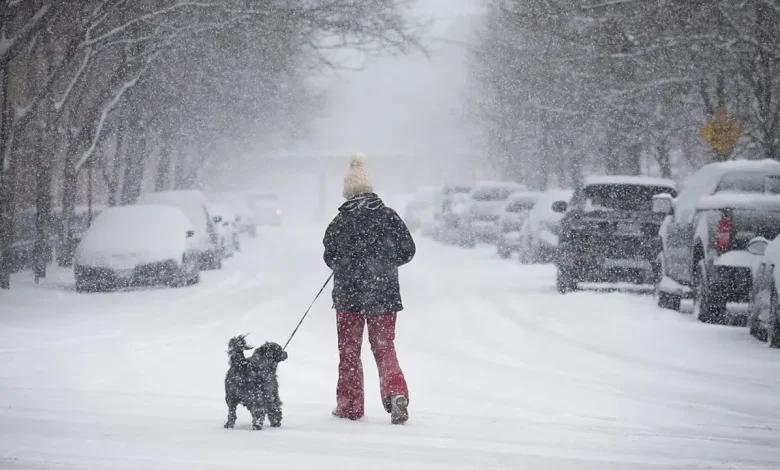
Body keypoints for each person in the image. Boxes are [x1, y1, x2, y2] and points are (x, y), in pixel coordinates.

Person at [322, 153, 416, 424]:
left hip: (349, 297)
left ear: (348, 191)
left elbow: (330, 257)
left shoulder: (341, 221)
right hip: (383, 294)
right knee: (384, 348)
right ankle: (396, 392)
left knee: (349, 352)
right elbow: (408, 250)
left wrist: (347, 263)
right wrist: (385, 264)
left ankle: (349, 406)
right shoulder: (388, 216)